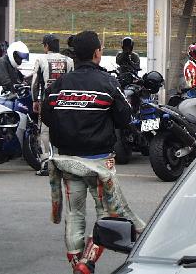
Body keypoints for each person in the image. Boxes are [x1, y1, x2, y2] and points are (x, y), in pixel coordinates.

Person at [42, 31, 145, 274]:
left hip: (66, 162)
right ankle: (86, 263)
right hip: (99, 164)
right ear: (97, 53)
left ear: (75, 55)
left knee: (74, 214)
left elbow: (46, 116)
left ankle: (76, 266)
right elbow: (125, 117)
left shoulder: (59, 85)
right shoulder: (107, 83)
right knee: (108, 215)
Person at [31, 34, 74, 176]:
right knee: (65, 131)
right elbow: (73, 81)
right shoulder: (69, 61)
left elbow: (35, 83)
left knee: (44, 132)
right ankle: (65, 164)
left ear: (46, 46)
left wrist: (35, 100)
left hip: (47, 102)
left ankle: (46, 164)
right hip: (65, 102)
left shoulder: (41, 60)